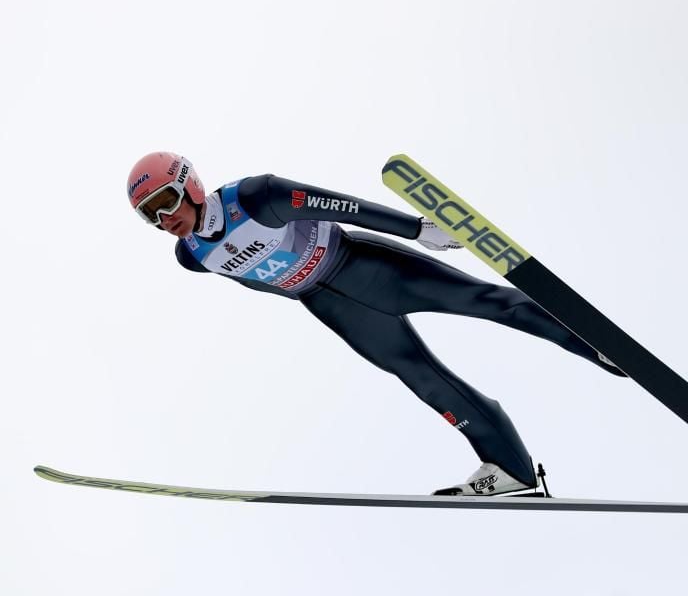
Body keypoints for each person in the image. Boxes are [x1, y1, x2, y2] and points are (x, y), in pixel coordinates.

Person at [127, 152, 626, 496]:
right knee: (424, 380)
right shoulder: (191, 257)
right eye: (150, 215)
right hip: (334, 307)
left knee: (485, 302)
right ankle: (511, 470)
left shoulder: (256, 198)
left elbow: (342, 206)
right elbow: (253, 276)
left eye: (166, 201)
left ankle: (597, 344)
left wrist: (418, 229)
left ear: (189, 184)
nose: (164, 218)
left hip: (368, 268)